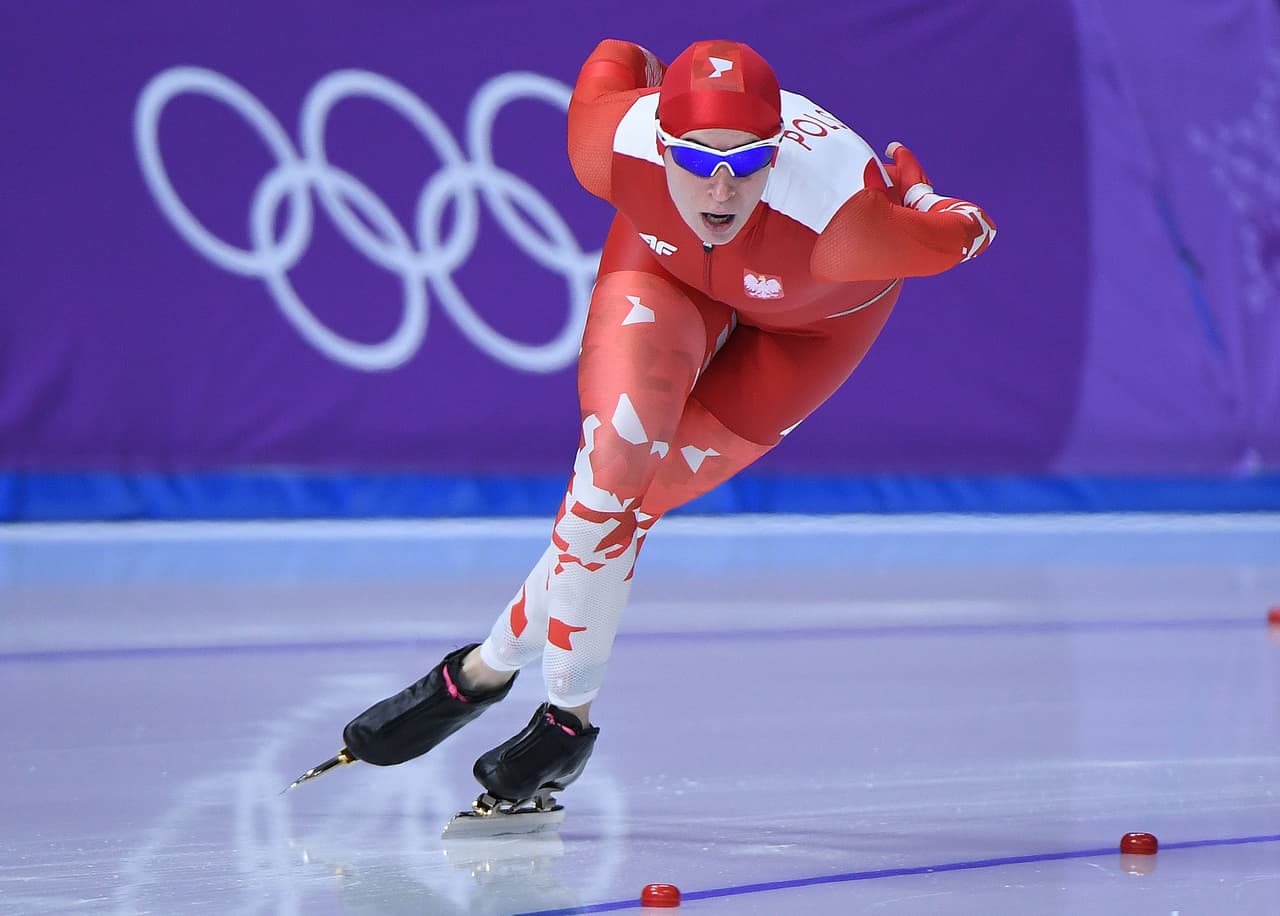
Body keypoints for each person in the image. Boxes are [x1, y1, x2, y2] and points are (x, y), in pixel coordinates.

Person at [326, 38, 996, 813]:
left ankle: (480, 672)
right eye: (695, 158)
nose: (719, 189)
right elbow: (617, 54)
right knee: (609, 481)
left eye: (747, 163)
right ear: (656, 138)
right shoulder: (608, 146)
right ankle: (560, 724)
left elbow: (967, 231)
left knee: (628, 509)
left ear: (777, 156)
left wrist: (919, 203)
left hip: (809, 330)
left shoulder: (850, 226)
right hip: (665, 269)